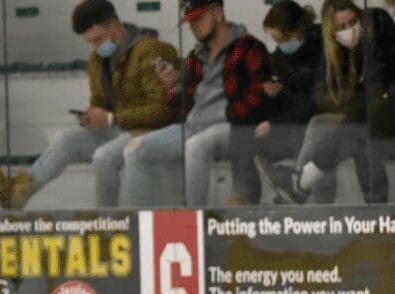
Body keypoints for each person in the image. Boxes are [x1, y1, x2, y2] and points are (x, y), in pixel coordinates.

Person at [0, 0, 177, 209]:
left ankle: (110, 220)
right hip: (120, 129)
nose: (94, 47)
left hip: (150, 130)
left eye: (98, 39)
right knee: (67, 139)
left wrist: (111, 118)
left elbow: (162, 110)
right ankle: (19, 190)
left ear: (113, 26)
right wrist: (92, 117)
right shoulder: (97, 60)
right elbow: (101, 104)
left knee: (103, 156)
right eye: (90, 42)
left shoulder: (152, 50)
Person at [122, 0, 273, 207]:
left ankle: (192, 221)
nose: (194, 26)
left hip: (232, 126)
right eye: (190, 22)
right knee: (134, 149)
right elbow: (182, 104)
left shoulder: (247, 47)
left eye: (199, 19)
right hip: (193, 126)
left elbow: (260, 94)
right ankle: (136, 223)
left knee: (195, 146)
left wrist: (230, 113)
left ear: (218, 13)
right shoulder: (195, 56)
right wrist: (170, 86)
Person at [256, 0, 395, 205]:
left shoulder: (375, 22)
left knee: (358, 122)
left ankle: (300, 185)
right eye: (341, 27)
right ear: (332, 31)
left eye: (353, 21)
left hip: (384, 109)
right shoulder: (332, 50)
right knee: (339, 128)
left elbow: (378, 84)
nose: (350, 30)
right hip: (360, 120)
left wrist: (344, 102)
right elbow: (320, 95)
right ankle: (320, 202)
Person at [231, 0, 324, 205]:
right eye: (274, 39)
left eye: (281, 38)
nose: (280, 45)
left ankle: (292, 190)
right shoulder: (278, 59)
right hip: (291, 120)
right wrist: (271, 96)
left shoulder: (322, 48)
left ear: (298, 30)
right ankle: (244, 198)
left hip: (314, 120)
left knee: (308, 133)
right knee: (246, 137)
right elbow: (282, 100)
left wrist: (276, 123)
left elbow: (317, 102)